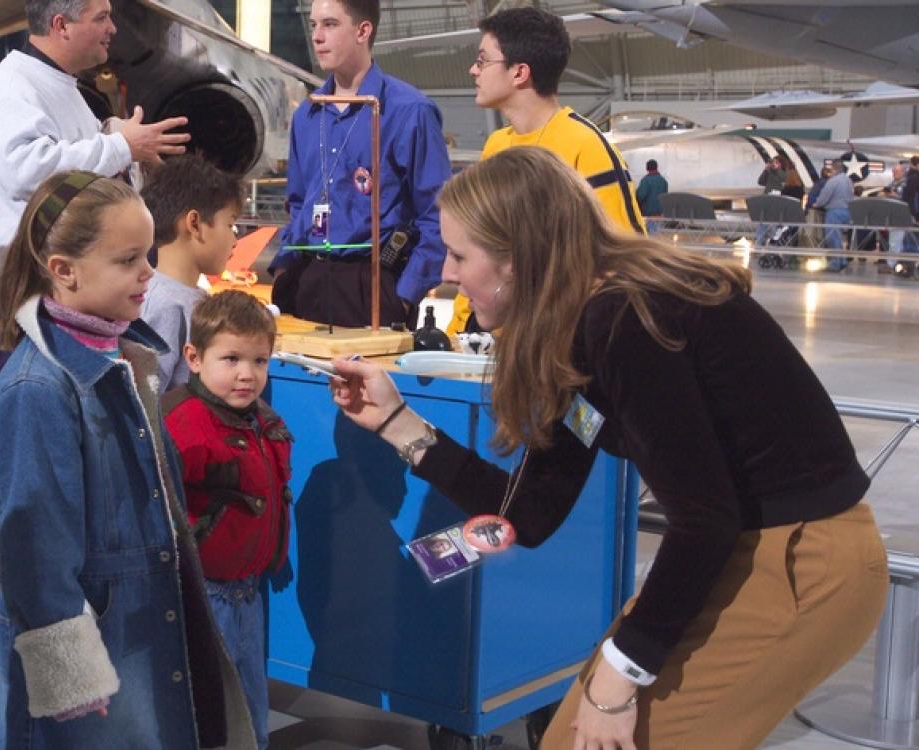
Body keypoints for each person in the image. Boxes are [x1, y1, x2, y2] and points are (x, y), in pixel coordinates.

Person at [331, 147, 887, 750]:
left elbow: (704, 519)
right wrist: (395, 422)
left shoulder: (624, 316)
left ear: (518, 259)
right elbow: (530, 513)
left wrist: (621, 678)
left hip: (799, 561)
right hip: (746, 552)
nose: (449, 273)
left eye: (462, 255)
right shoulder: (590, 325)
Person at [0, 171, 256, 748]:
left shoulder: (128, 359)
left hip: (140, 628)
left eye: (147, 254)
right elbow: (33, 547)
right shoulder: (39, 389)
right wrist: (71, 678)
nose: (148, 273)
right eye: (128, 259)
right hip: (98, 658)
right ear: (65, 269)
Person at [0, 0, 189, 647]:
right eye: (99, 15)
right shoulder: (10, 86)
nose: (113, 28)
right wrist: (119, 143)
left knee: (74, 456)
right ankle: (2, 597)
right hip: (31, 299)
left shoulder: (66, 92)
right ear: (60, 25)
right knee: (29, 458)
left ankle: (49, 601)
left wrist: (122, 147)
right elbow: (25, 173)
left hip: (73, 299)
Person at [446, 6, 644, 336]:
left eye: (482, 61)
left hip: (558, 346)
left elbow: (625, 260)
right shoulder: (496, 146)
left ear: (519, 72)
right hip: (496, 347)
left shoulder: (585, 144)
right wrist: (456, 333)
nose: (473, 70)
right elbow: (476, 251)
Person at [162, 291, 293, 750]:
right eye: (232, 358)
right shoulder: (185, 423)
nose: (247, 374)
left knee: (250, 701)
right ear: (194, 358)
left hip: (248, 592)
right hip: (205, 594)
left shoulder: (258, 419)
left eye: (259, 360)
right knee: (208, 707)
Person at [269, 0, 451, 328]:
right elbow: (297, 204)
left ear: (362, 31)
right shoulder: (306, 115)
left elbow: (437, 214)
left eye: (329, 24)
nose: (317, 37)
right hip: (307, 276)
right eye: (313, 25)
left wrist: (405, 294)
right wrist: (284, 270)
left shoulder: (410, 111)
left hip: (373, 283)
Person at [140, 155, 243, 392]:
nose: (235, 240)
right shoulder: (165, 305)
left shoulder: (193, 297)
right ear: (195, 224)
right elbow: (149, 399)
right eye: (230, 225)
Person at [813, 159, 855, 271]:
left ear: (834, 168)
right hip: (847, 211)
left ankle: (836, 263)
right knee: (839, 237)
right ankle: (842, 260)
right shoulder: (848, 180)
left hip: (834, 212)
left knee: (833, 237)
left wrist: (816, 204)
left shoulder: (833, 181)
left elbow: (825, 196)